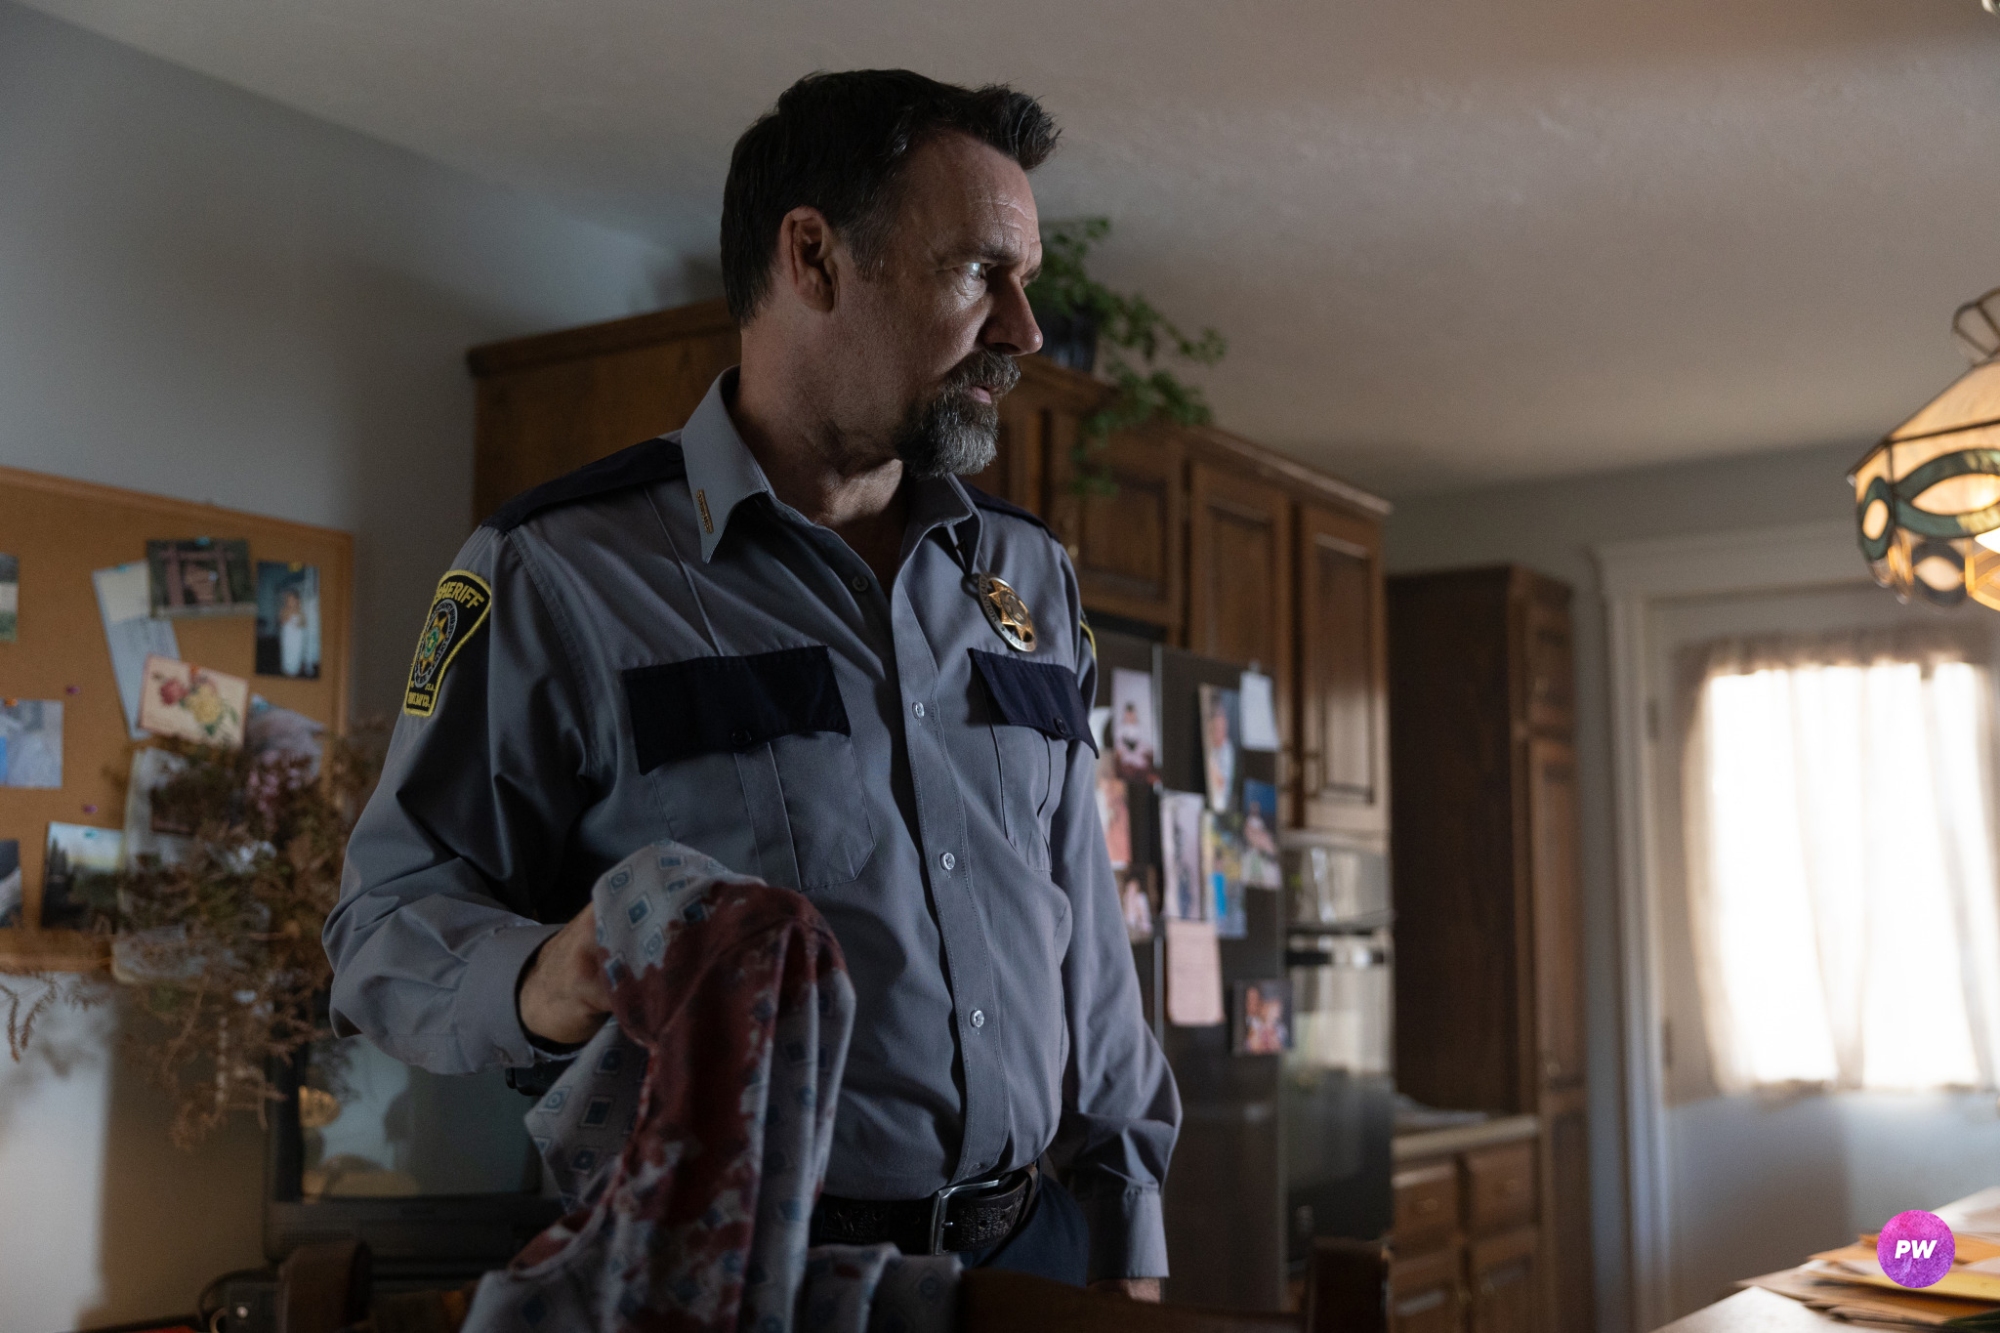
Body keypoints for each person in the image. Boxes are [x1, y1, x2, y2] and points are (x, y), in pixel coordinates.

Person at [324, 70, 1178, 1299]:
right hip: (735, 1282)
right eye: (977, 272)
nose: (1022, 330)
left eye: (1024, 281)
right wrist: (555, 971)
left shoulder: (1025, 573)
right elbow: (381, 929)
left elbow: (1083, 932)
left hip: (1031, 1266)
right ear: (813, 257)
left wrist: (1127, 1234)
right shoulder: (559, 572)